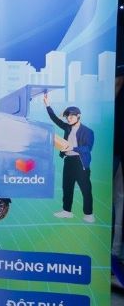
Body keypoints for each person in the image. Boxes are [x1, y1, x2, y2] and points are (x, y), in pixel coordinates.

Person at [42, 91, 94, 223]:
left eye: (71, 116)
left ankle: (88, 214)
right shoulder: (67, 128)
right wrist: (48, 105)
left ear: (78, 116)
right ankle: (67, 211)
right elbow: (55, 119)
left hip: (80, 162)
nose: (69, 119)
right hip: (68, 161)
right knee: (67, 187)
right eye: (67, 117)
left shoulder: (88, 131)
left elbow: (87, 148)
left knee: (85, 189)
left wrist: (73, 148)